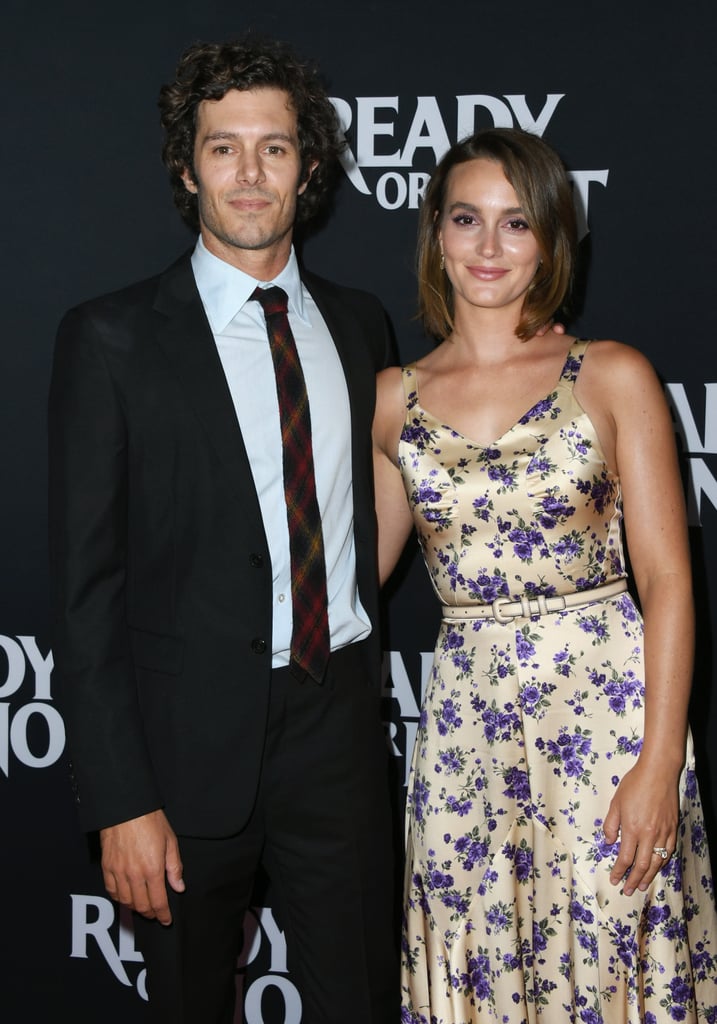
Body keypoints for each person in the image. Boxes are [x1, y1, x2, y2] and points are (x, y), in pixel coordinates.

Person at [48, 37, 397, 1023]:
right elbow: (84, 591)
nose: (250, 175)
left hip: (335, 730)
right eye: (223, 149)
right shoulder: (110, 337)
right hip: (181, 744)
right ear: (186, 165)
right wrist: (119, 796)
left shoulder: (362, 324)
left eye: (275, 149)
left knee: (360, 1000)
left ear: (312, 167)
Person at [372, 127, 717, 1022]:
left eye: (516, 224)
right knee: (475, 966)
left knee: (614, 959)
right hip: (462, 742)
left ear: (551, 241)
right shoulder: (387, 400)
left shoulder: (610, 375)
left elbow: (670, 582)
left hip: (606, 727)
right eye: (466, 219)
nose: (488, 248)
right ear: (435, 235)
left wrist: (659, 761)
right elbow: (347, 579)